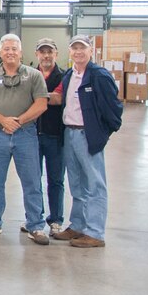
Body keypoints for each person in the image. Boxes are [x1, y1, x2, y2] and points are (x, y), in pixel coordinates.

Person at [0, 34, 50, 245]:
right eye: (6, 49)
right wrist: (2, 120)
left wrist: (18, 121)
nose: (10, 52)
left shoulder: (34, 76)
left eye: (14, 49)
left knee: (32, 182)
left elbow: (41, 104)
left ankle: (35, 225)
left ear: (21, 52)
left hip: (26, 135)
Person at [49, 35, 123, 248]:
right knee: (76, 183)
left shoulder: (99, 75)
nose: (78, 52)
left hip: (87, 135)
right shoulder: (69, 75)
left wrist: (101, 133)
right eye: (75, 48)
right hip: (69, 133)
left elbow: (114, 109)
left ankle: (95, 232)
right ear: (70, 52)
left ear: (91, 51)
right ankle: (78, 225)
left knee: (94, 184)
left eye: (82, 48)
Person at [33, 38, 65, 235]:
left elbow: (59, 99)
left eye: (49, 52)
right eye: (42, 52)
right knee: (33, 179)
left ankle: (56, 220)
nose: (46, 55)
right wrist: (48, 96)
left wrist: (35, 96)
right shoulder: (29, 74)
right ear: (36, 54)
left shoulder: (64, 76)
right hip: (32, 136)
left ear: (56, 54)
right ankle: (34, 218)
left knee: (56, 180)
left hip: (55, 136)